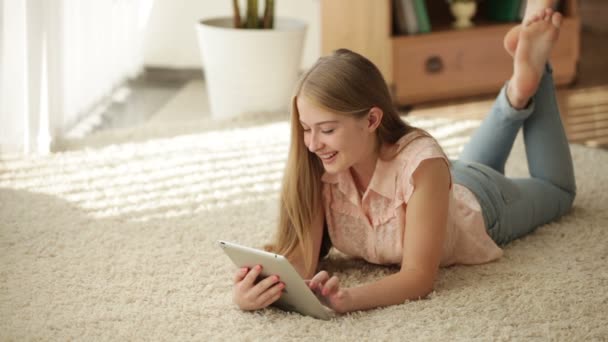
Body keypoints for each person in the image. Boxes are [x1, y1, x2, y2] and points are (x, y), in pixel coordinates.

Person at [232, 3, 576, 314]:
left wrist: (348, 300)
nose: (313, 143)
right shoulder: (322, 167)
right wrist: (259, 291)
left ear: (371, 120)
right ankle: (516, 91)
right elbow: (303, 262)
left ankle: (537, 67)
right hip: (442, 181)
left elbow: (418, 278)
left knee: (557, 190)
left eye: (326, 130)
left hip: (484, 202)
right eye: (306, 129)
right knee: (448, 167)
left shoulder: (422, 165)